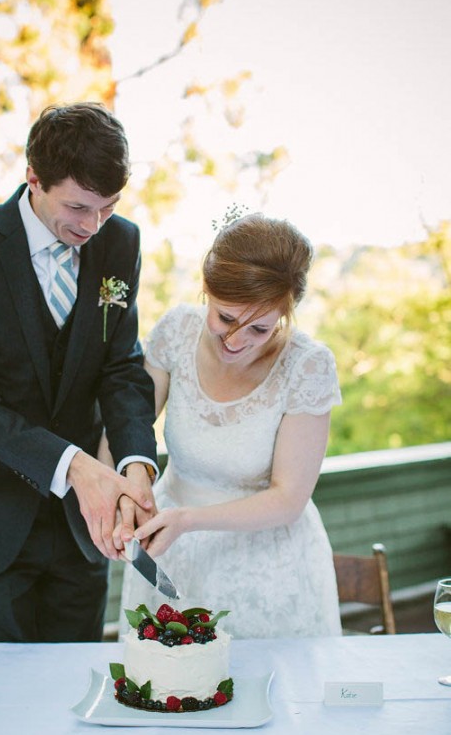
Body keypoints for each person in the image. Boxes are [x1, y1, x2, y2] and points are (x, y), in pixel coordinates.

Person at [0, 102, 158, 643]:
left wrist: (136, 466)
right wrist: (76, 467)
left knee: (75, 688)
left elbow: (121, 369)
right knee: (6, 699)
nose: (92, 226)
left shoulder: (121, 243)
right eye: (78, 207)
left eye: (107, 207)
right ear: (34, 176)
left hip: (85, 530)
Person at [119, 212, 343, 638]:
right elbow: (129, 424)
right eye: (224, 318)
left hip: (268, 566)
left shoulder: (308, 366)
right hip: (170, 551)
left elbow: (288, 500)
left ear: (287, 311)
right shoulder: (176, 331)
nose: (236, 341)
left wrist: (188, 520)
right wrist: (120, 493)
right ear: (207, 290)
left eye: (260, 328)